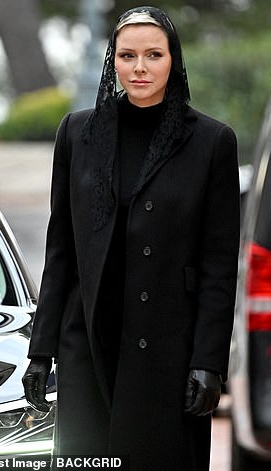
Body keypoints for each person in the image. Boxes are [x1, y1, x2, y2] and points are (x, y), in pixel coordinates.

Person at [22, 6, 240, 471]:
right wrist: (41, 351)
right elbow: (60, 249)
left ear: (172, 60)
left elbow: (218, 266)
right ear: (113, 61)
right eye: (127, 55)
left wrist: (209, 361)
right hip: (87, 345)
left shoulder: (212, 142)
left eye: (153, 55)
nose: (139, 67)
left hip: (167, 351)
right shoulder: (77, 133)